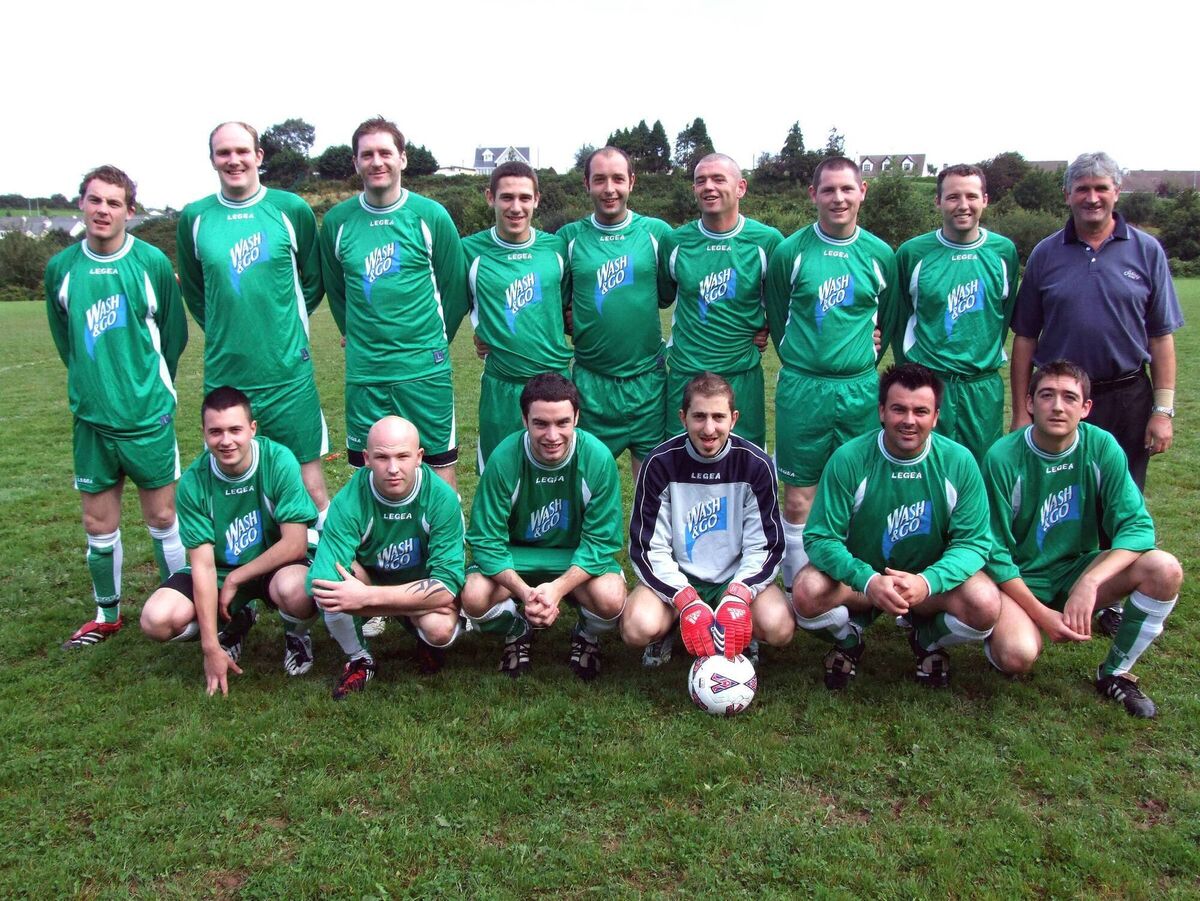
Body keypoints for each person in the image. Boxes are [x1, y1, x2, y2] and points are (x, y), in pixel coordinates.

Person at [982, 360, 1182, 717]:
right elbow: (993, 552)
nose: (1058, 406)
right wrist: (1042, 615)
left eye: (1069, 397)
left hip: (1076, 569)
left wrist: (1089, 582)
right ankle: (1007, 627)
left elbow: (1138, 528)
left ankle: (1115, 672)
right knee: (1016, 657)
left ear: (1086, 408)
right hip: (1019, 578)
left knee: (1163, 569)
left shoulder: (1102, 446)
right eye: (1047, 395)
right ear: (1029, 403)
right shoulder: (1002, 457)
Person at [46, 165, 189, 649]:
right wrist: (95, 386)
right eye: (94, 200)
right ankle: (107, 615)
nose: (103, 209)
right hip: (91, 420)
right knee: (96, 525)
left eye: (113, 202)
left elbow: (173, 336)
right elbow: (65, 340)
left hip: (146, 417)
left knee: (164, 519)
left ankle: (181, 605)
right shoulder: (61, 269)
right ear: (81, 205)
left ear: (130, 210)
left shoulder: (150, 263)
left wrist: (146, 386)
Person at [793, 364, 999, 690]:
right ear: (881, 411)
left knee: (985, 602)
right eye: (898, 409)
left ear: (936, 416)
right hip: (862, 583)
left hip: (927, 585)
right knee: (806, 591)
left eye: (921, 411)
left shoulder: (959, 462)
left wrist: (928, 582)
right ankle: (849, 641)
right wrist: (869, 579)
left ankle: (927, 640)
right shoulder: (849, 459)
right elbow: (820, 537)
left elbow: (974, 543)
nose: (909, 420)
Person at [176, 121, 331, 520]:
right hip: (228, 377)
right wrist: (230, 331)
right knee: (237, 492)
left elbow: (313, 281)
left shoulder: (290, 209)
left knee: (309, 488)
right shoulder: (194, 217)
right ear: (212, 160)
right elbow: (197, 292)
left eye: (242, 151)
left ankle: (318, 578)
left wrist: (282, 325)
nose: (234, 160)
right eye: (224, 152)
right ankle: (253, 573)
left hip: (287, 375)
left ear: (259, 156)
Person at [765, 156, 899, 594]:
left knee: (859, 492)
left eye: (847, 189)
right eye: (828, 190)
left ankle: (857, 591)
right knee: (800, 493)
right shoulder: (791, 252)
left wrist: (865, 355)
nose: (838, 198)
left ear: (863, 191)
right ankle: (794, 588)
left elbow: (891, 319)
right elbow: (778, 314)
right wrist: (805, 358)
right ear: (814, 195)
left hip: (860, 388)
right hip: (803, 387)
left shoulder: (880, 254)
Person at [1010, 152, 1183, 492]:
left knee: (1121, 496)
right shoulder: (1045, 254)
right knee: (1060, 494)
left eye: (1101, 188)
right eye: (1082, 189)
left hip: (1126, 396)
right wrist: (1020, 412)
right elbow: (1025, 338)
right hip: (1060, 398)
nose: (1092, 198)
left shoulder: (1147, 251)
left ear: (1116, 191)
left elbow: (1161, 337)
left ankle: (1120, 549)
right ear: (1067, 195)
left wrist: (1163, 411)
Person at [319, 117, 468, 488]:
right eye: (366, 154)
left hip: (424, 371)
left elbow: (454, 291)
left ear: (403, 158)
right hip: (366, 372)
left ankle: (443, 544)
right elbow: (337, 293)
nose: (377, 161)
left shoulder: (430, 216)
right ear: (355, 163)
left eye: (385, 152)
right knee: (369, 471)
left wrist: (430, 343)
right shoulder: (338, 222)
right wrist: (356, 335)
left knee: (436, 464)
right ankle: (378, 545)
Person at [140, 388, 318, 697]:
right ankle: (232, 625)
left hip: (278, 563)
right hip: (221, 570)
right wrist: (210, 647)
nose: (226, 441)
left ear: (252, 428)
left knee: (297, 590)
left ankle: (296, 635)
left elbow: (295, 544)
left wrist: (238, 577)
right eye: (216, 432)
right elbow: (204, 567)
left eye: (235, 429)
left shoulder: (278, 460)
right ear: (204, 433)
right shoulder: (194, 482)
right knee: (156, 620)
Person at [461, 373, 625, 680]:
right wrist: (526, 594)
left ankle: (586, 636)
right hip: (515, 558)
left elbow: (601, 542)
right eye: (541, 424)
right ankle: (516, 629)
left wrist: (558, 589)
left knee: (612, 598)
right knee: (473, 596)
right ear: (524, 419)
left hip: (572, 557)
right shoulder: (504, 458)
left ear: (577, 417)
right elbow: (485, 540)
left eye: (562, 422)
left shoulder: (597, 458)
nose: (552, 435)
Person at [623, 373, 791, 665]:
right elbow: (647, 549)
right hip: (680, 576)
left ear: (734, 418)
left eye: (718, 417)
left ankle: (740, 629)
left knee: (780, 628)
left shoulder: (756, 465)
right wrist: (684, 597)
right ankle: (671, 627)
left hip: (734, 577)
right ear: (683, 417)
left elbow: (765, 547)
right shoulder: (659, 463)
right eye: (699, 416)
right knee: (636, 627)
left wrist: (739, 594)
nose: (709, 428)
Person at [308, 416, 466, 700]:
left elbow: (447, 586)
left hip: (417, 581)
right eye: (382, 457)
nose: (393, 468)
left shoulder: (442, 499)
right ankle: (359, 658)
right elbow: (321, 580)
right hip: (373, 578)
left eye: (402, 456)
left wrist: (367, 598)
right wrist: (354, 592)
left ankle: (422, 639)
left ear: (419, 457)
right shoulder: (350, 500)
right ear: (366, 458)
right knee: (330, 590)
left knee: (440, 630)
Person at [557, 147, 673, 481]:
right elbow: (554, 301)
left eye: (618, 179)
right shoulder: (568, 239)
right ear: (586, 184)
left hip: (647, 382)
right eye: (600, 180)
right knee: (586, 484)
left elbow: (671, 293)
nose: (609, 189)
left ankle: (643, 538)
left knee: (651, 487)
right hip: (591, 383)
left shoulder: (657, 234)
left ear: (632, 182)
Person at [893, 164, 1020, 463]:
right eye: (952, 197)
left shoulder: (1004, 252)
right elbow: (899, 322)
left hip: (982, 388)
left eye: (971, 196)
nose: (963, 205)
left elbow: (1001, 317)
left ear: (985, 200)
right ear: (938, 201)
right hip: (931, 385)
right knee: (926, 472)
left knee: (980, 473)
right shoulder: (913, 254)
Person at [658, 153, 781, 450]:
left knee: (744, 468)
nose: (708, 187)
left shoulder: (768, 241)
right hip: (687, 374)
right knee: (678, 469)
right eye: (701, 181)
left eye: (718, 179)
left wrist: (763, 324)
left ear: (741, 188)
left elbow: (783, 305)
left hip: (741, 376)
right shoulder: (675, 242)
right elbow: (662, 297)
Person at [463, 162, 571, 469]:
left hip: (556, 383)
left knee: (557, 479)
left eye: (524, 198)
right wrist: (481, 331)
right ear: (490, 197)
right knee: (499, 475)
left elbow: (564, 306)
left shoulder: (556, 248)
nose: (516, 207)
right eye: (506, 197)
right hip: (502, 385)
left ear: (537, 199)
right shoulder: (469, 251)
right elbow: (455, 304)